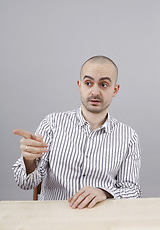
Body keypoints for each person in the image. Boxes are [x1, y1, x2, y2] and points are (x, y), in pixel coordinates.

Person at [13, 55, 141, 209]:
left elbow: (132, 191)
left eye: (104, 84)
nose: (95, 91)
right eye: (88, 83)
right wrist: (29, 161)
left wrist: (105, 192)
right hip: (53, 218)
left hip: (102, 221)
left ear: (115, 89)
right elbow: (24, 183)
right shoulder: (52, 124)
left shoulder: (128, 136)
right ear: (79, 86)